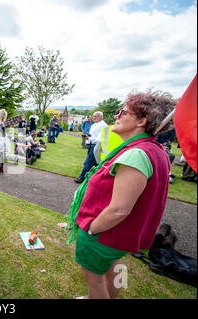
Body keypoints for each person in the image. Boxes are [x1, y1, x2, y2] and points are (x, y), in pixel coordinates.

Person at [66, 89, 175, 299]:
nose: (116, 116)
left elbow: (119, 210)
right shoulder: (154, 148)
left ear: (141, 121)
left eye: (122, 112)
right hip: (121, 235)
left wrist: (92, 229)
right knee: (114, 265)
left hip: (106, 231)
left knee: (91, 274)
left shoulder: (137, 153)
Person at [74, 112, 108, 183]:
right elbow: (93, 135)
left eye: (96, 116)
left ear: (101, 117)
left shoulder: (104, 126)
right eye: (93, 116)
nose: (94, 117)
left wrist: (89, 138)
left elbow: (100, 139)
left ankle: (81, 177)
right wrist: (88, 137)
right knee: (94, 163)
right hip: (90, 145)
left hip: (96, 146)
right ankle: (94, 179)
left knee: (88, 162)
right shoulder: (93, 125)